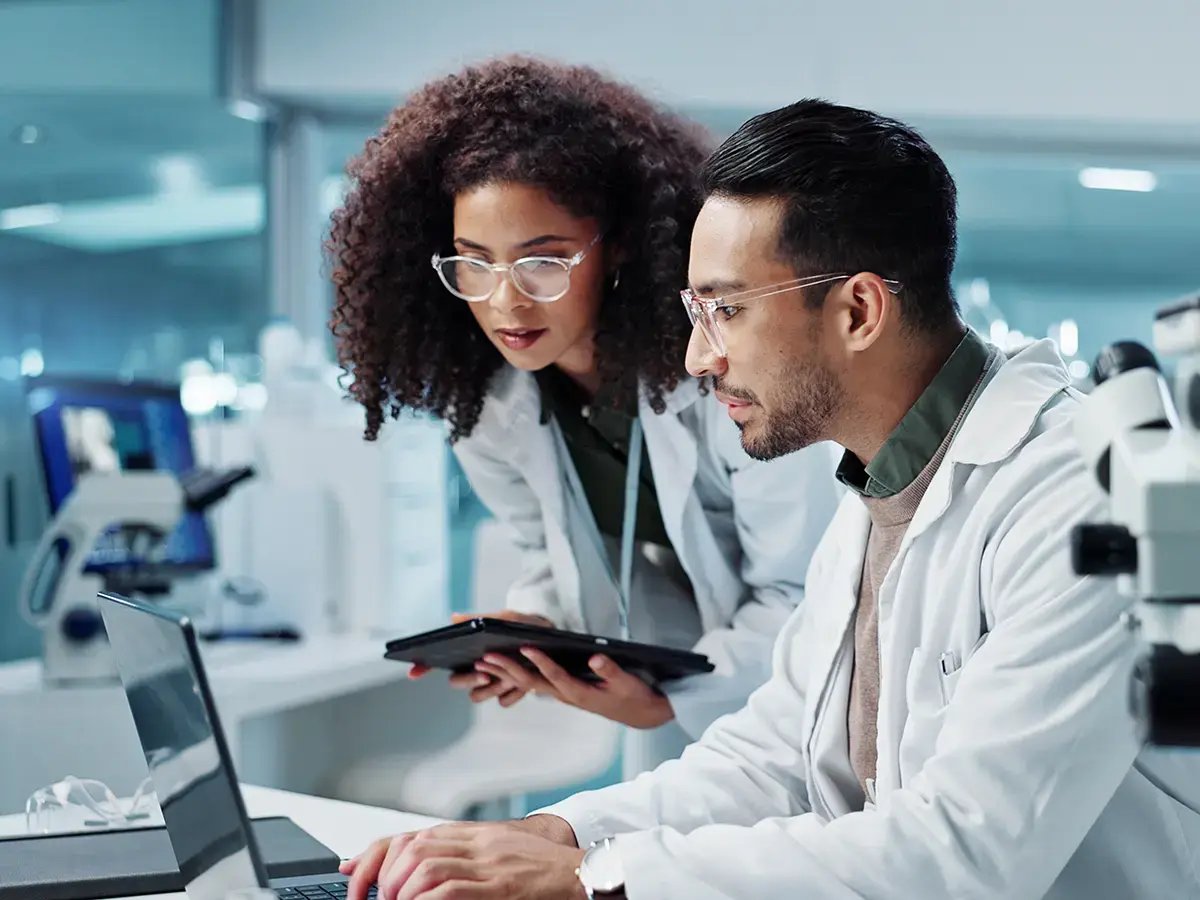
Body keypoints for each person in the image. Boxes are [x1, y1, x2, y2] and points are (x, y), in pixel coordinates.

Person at [341, 99, 1200, 900]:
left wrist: (593, 880)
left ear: (859, 309)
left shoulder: (1078, 496)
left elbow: (968, 852)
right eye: (693, 311)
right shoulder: (875, 486)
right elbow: (775, 755)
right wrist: (557, 832)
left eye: (726, 312)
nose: (697, 357)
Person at [327, 57, 840, 775]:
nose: (505, 303)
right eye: (473, 263)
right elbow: (550, 551)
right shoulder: (491, 407)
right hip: (692, 701)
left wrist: (673, 699)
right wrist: (538, 630)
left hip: (820, 701)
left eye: (544, 262)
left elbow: (802, 593)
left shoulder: (728, 376)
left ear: (621, 243)